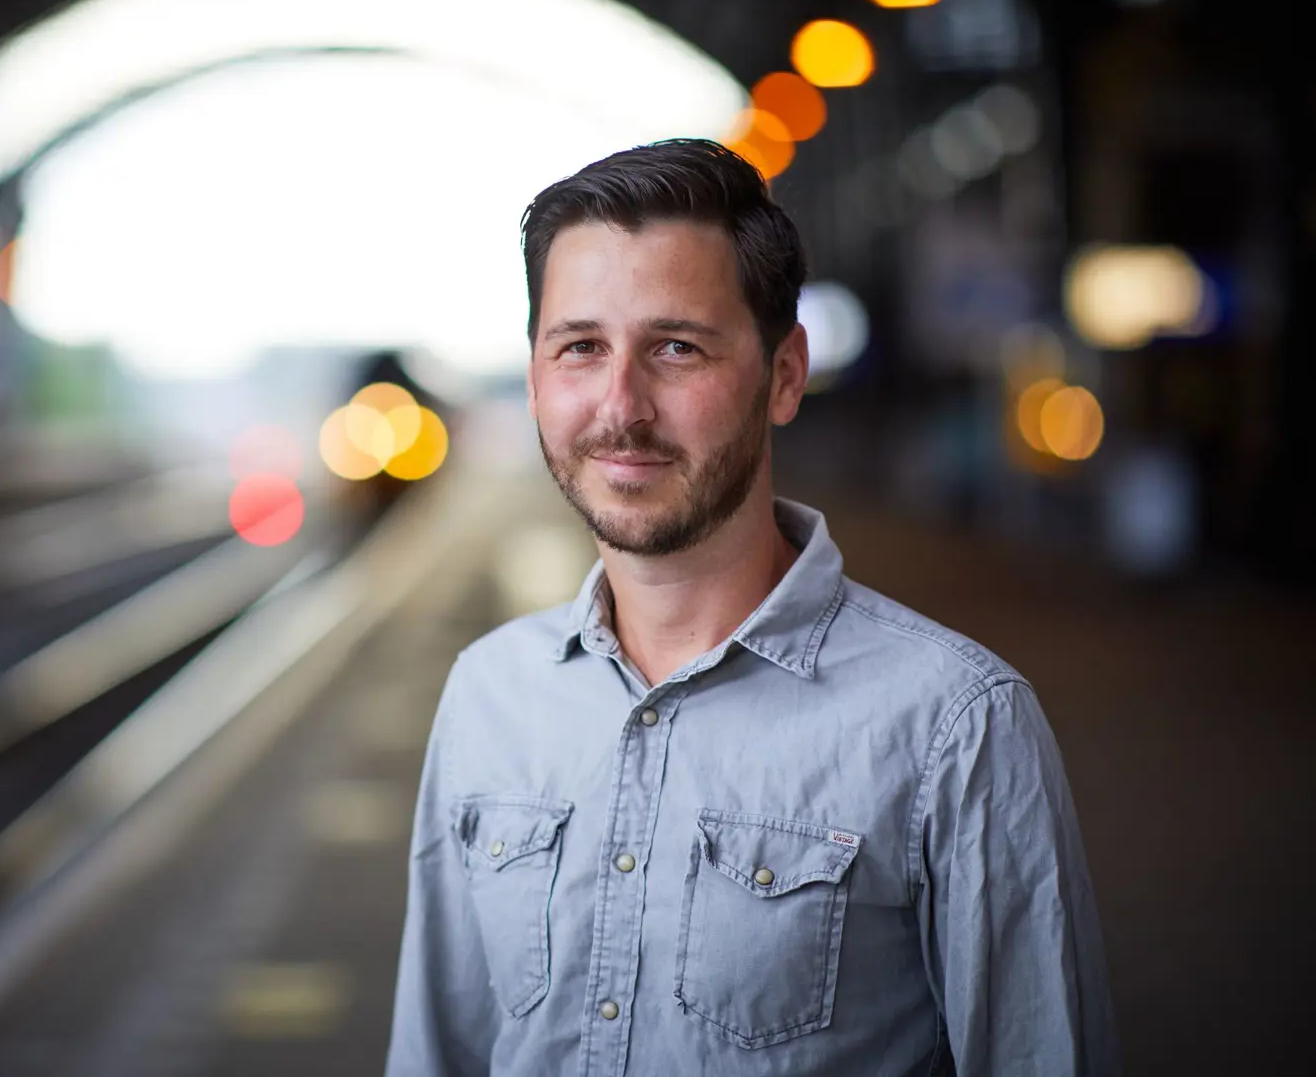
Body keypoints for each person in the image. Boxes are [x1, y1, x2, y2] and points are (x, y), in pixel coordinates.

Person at [386, 140, 1119, 1075]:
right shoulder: (488, 695)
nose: (621, 407)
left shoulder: (956, 724)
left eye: (676, 348)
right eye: (580, 348)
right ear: (535, 380)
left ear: (783, 374)